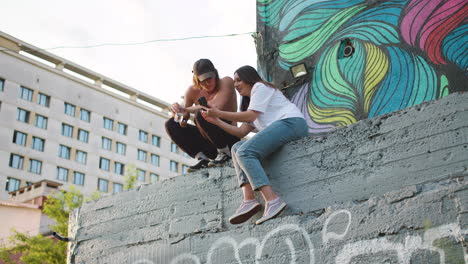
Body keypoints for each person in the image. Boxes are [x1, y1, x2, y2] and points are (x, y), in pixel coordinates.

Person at [201, 65, 309, 225]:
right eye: (234, 81)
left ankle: (272, 201)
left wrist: (219, 113)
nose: (236, 85)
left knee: (245, 152)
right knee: (236, 148)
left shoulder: (261, 87)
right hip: (283, 126)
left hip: (292, 123)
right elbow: (240, 133)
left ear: (249, 78)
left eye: (239, 80)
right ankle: (249, 199)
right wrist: (215, 121)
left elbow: (250, 115)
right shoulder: (254, 103)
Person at [165, 59, 240, 172]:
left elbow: (214, 108)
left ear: (215, 74)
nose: (207, 83)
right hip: (209, 143)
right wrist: (181, 115)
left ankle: (225, 153)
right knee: (171, 124)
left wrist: (185, 109)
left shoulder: (226, 82)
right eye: (203, 80)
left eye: (210, 78)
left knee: (202, 113)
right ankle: (202, 158)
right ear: (196, 80)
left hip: (229, 140)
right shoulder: (192, 91)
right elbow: (180, 116)